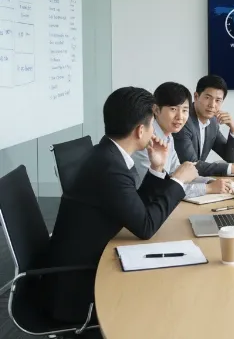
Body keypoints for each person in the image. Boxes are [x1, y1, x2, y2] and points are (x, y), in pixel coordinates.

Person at [42, 87, 199, 324]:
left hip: (92, 255)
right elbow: (145, 227)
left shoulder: (109, 154)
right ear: (140, 131)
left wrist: (157, 168)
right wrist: (178, 180)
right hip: (80, 283)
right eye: (151, 124)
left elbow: (136, 208)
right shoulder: (110, 167)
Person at [133, 82, 233, 196]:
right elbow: (163, 188)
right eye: (173, 109)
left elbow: (175, 172)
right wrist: (207, 188)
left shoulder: (168, 136)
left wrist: (210, 181)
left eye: (185, 110)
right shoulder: (146, 140)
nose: (180, 117)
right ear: (156, 110)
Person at [173, 75, 234, 177]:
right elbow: (192, 165)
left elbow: (229, 157)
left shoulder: (212, 121)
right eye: (208, 98)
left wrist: (233, 129)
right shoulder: (183, 121)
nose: (212, 105)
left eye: (218, 100)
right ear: (196, 96)